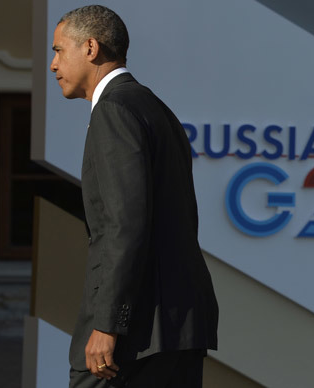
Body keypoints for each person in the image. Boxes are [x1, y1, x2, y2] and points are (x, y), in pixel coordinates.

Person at [50, 5, 218, 387]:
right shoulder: (155, 108)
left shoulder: (114, 109)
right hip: (176, 329)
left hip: (137, 338)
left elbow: (124, 225)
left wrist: (107, 325)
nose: (53, 64)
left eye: (59, 50)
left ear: (90, 48)